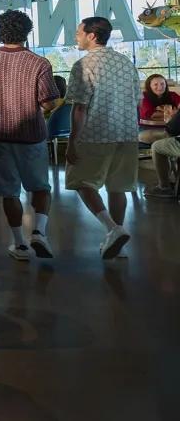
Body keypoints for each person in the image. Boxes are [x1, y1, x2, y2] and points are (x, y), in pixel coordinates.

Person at [0, 10, 60, 261]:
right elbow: (50, 102)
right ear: (27, 32)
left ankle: (19, 244)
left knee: (10, 192)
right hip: (31, 135)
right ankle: (39, 232)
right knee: (40, 187)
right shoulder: (40, 63)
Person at [64, 17, 140, 259]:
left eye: (79, 32)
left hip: (95, 134)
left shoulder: (84, 65)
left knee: (81, 182)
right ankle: (116, 245)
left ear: (92, 36)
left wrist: (72, 141)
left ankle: (113, 228)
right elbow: (136, 100)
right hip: (127, 134)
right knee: (118, 188)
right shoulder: (126, 62)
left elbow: (79, 108)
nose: (76, 37)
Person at [138, 74, 179, 144]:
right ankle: (171, 140)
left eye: (162, 84)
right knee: (143, 136)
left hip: (171, 129)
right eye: (155, 84)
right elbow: (151, 115)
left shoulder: (173, 95)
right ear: (149, 86)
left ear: (166, 85)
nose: (160, 87)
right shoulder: (143, 97)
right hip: (148, 130)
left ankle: (170, 140)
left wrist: (164, 112)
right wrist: (174, 113)